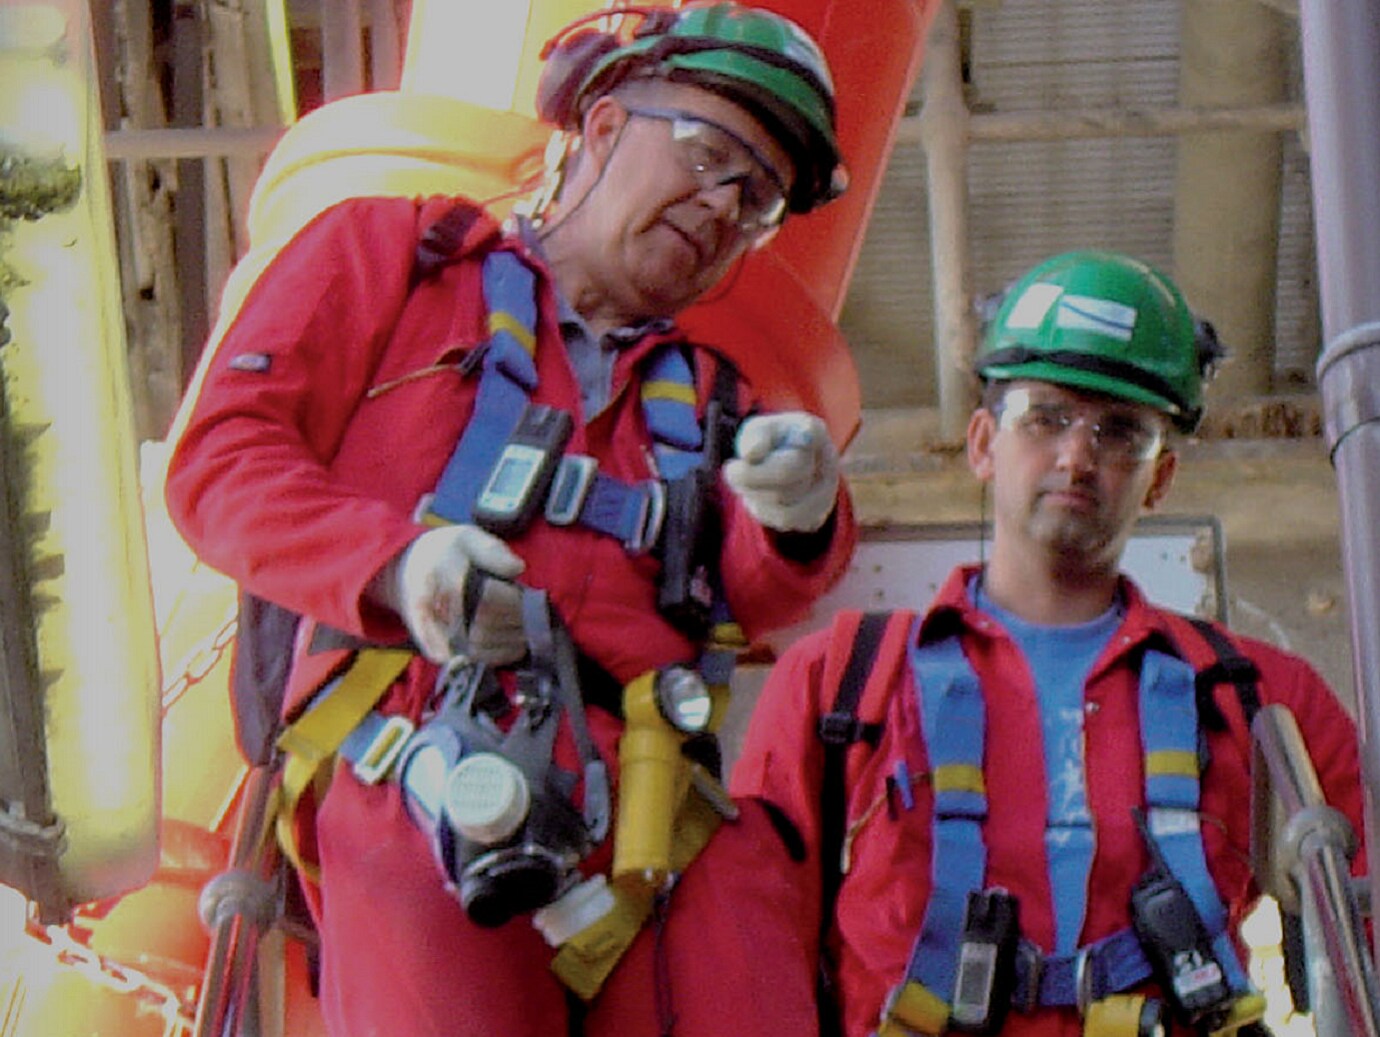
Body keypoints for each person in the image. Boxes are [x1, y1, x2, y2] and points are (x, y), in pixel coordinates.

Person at [165, 4, 856, 1035]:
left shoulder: (712, 395)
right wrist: (398, 565)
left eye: (756, 199)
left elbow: (749, 588)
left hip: (655, 800)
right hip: (420, 749)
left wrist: (800, 514)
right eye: (709, 152)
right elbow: (223, 461)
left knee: (754, 950)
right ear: (608, 127)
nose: (721, 204)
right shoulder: (394, 259)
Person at [732, 250, 1368, 1037]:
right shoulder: (839, 682)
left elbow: (1365, 931)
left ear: (1159, 477)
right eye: (1044, 417)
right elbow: (748, 939)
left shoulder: (1262, 697)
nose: (1077, 456)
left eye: (1119, 431)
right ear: (981, 444)